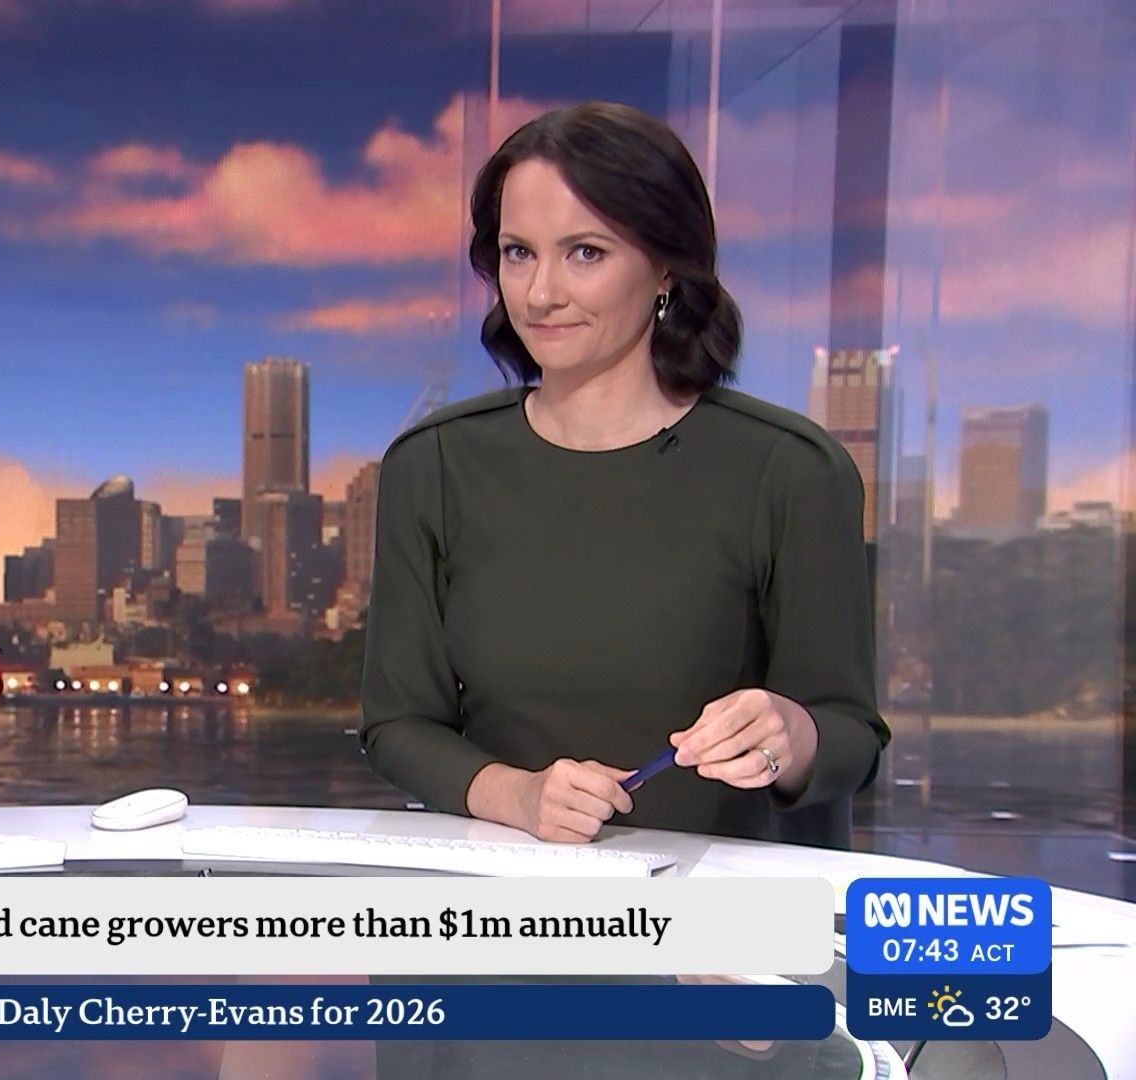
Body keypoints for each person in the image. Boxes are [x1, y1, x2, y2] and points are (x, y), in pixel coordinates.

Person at [359, 101, 889, 849]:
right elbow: (397, 725)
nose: (540, 293)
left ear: (666, 266)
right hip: (505, 901)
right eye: (518, 253)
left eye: (586, 253)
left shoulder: (790, 471)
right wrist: (519, 796)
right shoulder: (433, 464)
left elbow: (852, 737)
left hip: (726, 908)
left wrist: (789, 733)